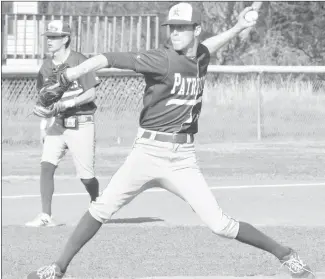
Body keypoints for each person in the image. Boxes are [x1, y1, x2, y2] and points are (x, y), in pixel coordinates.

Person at [27, 3, 314, 278]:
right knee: (100, 208)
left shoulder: (200, 55)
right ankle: (57, 269)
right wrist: (71, 74)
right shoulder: (161, 58)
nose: (174, 32)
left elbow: (209, 47)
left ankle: (286, 255)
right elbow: (109, 58)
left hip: (183, 158)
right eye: (171, 27)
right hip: (146, 153)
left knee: (220, 225)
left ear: (197, 29)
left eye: (181, 27)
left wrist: (238, 26)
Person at [25, 20, 101, 227]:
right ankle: (45, 216)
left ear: (66, 38)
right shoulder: (47, 67)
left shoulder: (79, 61)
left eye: (55, 37)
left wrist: (67, 103)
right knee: (46, 165)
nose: (50, 41)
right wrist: (43, 125)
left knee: (87, 177)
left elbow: (92, 93)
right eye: (48, 37)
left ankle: (97, 202)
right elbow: (44, 100)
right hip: (57, 124)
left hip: (82, 123)